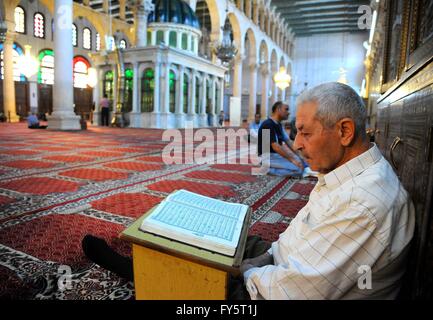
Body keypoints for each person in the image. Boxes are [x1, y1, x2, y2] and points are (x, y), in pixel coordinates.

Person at [81, 82, 415, 300]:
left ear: (344, 131)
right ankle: (157, 260)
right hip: (281, 260)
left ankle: (140, 275)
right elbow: (293, 246)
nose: (297, 144)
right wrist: (261, 256)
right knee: (198, 231)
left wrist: (243, 269)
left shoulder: (364, 204)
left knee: (194, 292)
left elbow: (293, 293)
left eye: (304, 133)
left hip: (271, 294)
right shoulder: (345, 175)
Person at [257, 101, 307, 177]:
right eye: (286, 109)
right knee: (298, 170)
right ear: (278, 109)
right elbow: (275, 146)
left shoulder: (278, 124)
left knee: (304, 162)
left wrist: (300, 156)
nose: (288, 112)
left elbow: (289, 142)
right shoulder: (267, 125)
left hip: (275, 155)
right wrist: (292, 160)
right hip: (267, 157)